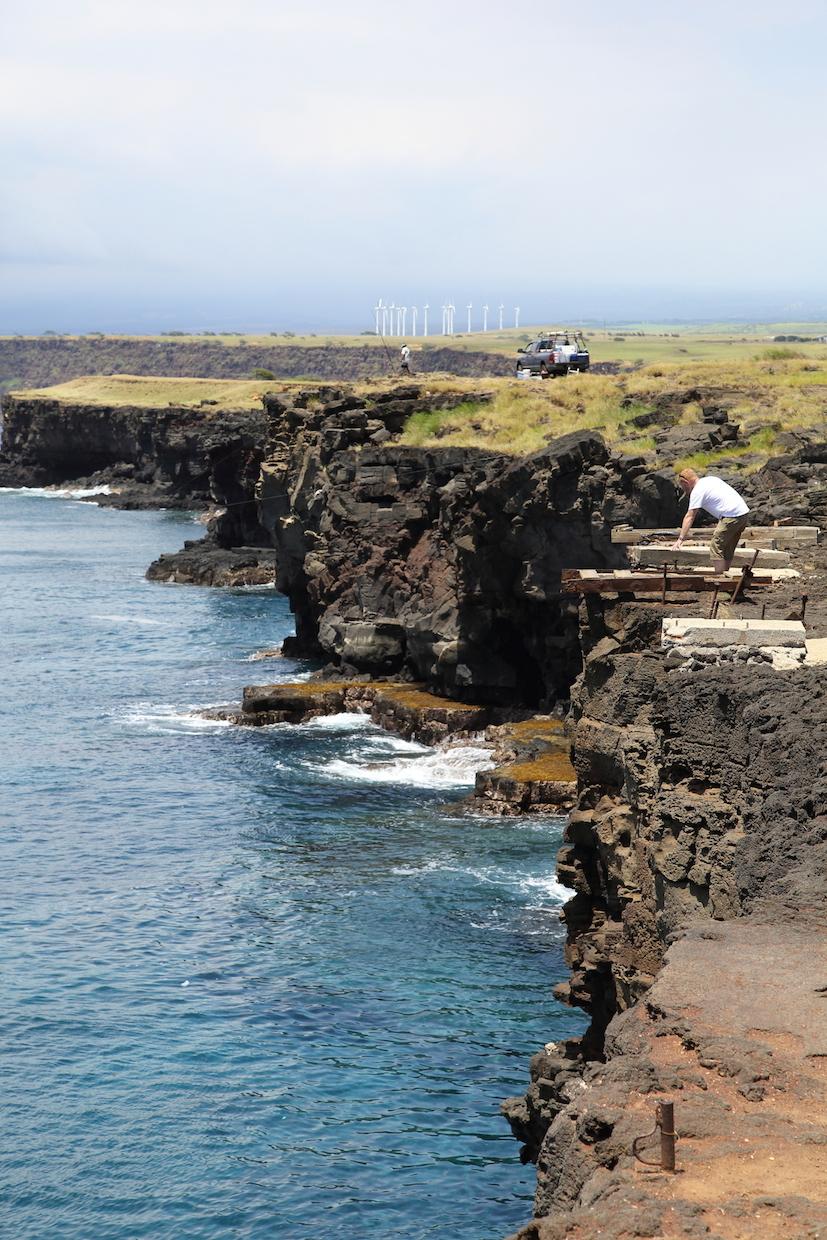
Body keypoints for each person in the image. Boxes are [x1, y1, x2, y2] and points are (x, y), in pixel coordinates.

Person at [673, 468, 750, 574]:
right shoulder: (710, 480)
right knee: (727, 546)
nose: (683, 489)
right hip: (743, 513)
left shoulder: (697, 491)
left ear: (685, 482)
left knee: (716, 545)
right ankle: (725, 573)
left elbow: (690, 516)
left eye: (683, 486)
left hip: (731, 516)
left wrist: (680, 539)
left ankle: (719, 575)